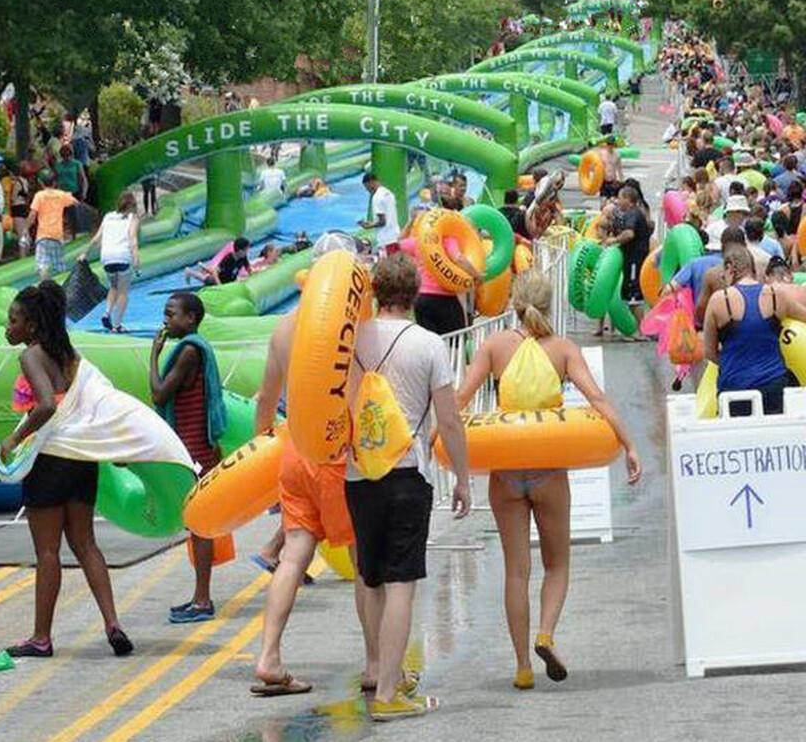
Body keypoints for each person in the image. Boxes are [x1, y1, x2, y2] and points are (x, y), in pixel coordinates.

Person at [456, 270, 640, 691]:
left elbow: (461, 398)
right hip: (549, 469)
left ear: (514, 302)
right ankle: (546, 633)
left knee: (515, 571)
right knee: (557, 563)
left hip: (505, 468)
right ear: (549, 302)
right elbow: (597, 398)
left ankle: (522, 665)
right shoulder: (562, 349)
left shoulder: (494, 346)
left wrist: (435, 442)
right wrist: (629, 445)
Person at [344, 254, 471, 719]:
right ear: (414, 293)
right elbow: (450, 421)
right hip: (406, 470)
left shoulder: (352, 341)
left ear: (374, 291)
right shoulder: (429, 345)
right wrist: (462, 477)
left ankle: (379, 670)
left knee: (372, 578)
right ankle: (387, 695)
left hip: (357, 474)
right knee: (402, 582)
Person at [0, 282, 133, 658]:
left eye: (13, 321)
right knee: (87, 543)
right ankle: (112, 622)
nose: (7, 328)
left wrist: (13, 439)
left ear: (32, 325)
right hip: (81, 459)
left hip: (50, 458)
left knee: (47, 552)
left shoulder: (32, 355)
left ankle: (41, 637)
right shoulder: (69, 355)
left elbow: (44, 406)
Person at [250, 307, 366, 697]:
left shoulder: (284, 327)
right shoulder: (348, 322)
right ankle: (377, 664)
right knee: (360, 560)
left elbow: (266, 398)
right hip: (336, 455)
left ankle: (269, 656)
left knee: (293, 557)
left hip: (295, 452)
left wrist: (262, 445)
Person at [149, 293, 227, 624]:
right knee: (198, 524)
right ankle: (199, 596)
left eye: (172, 314)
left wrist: (153, 356)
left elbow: (159, 393)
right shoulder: (196, 348)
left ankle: (203, 599)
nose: (166, 320)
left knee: (199, 525)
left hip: (193, 448)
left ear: (191, 318)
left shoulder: (189, 352)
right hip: (197, 445)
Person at [703, 245, 806, 416]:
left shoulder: (719, 300)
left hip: (734, 388)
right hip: (774, 385)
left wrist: (739, 362)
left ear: (730, 269)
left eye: (723, 275)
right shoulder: (776, 295)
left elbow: (709, 352)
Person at [79, 192, 140, 333]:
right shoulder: (132, 218)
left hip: (107, 257)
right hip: (123, 256)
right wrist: (136, 257)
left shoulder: (108, 216)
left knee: (113, 286)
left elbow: (96, 238)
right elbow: (132, 239)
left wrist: (85, 253)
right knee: (123, 291)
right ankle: (117, 325)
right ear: (132, 206)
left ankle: (107, 312)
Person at [398, 234, 476, 335]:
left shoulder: (418, 241)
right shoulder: (448, 240)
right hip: (445, 298)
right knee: (455, 340)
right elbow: (459, 259)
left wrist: (410, 224)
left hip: (422, 298)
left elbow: (397, 244)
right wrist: (477, 276)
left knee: (429, 343)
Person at [603, 187, 651, 320]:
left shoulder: (632, 214)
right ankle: (640, 329)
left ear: (627, 200)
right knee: (630, 294)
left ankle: (641, 330)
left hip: (634, 260)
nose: (618, 201)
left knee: (633, 296)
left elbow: (629, 233)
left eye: (620, 198)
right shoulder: (634, 213)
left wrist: (615, 240)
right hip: (633, 259)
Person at [27, 177, 78, 281]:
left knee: (43, 265)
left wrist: (25, 229)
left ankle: (45, 290)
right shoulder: (61, 195)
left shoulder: (39, 196)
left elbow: (32, 215)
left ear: (41, 182)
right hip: (57, 235)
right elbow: (75, 202)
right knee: (59, 266)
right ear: (54, 182)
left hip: (43, 235)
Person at [358, 173, 400, 255]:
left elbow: (382, 221)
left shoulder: (377, 197)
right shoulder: (389, 193)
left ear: (371, 182)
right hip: (395, 235)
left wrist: (368, 226)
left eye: (367, 187)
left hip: (385, 239)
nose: (368, 191)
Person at [184, 237, 251, 286]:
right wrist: (219, 285)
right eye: (246, 250)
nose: (247, 252)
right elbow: (215, 272)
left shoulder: (243, 257)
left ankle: (202, 266)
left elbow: (248, 268)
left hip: (228, 279)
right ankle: (190, 272)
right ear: (240, 251)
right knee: (205, 279)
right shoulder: (228, 259)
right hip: (219, 279)